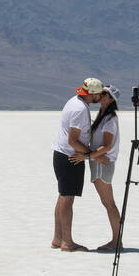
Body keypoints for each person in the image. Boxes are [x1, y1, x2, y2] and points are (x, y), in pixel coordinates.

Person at [51, 77, 103, 252]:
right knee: (67, 197)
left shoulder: (75, 101)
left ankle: (58, 239)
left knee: (63, 195)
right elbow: (73, 140)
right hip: (70, 156)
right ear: (93, 95)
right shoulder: (80, 109)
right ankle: (67, 242)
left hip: (62, 153)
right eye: (99, 94)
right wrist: (90, 155)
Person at [82, 84, 123, 252]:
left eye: (105, 93)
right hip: (98, 162)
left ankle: (116, 241)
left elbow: (106, 146)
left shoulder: (110, 119)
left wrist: (85, 157)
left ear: (111, 99)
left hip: (101, 163)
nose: (101, 93)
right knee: (107, 202)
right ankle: (116, 240)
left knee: (109, 203)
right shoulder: (102, 116)